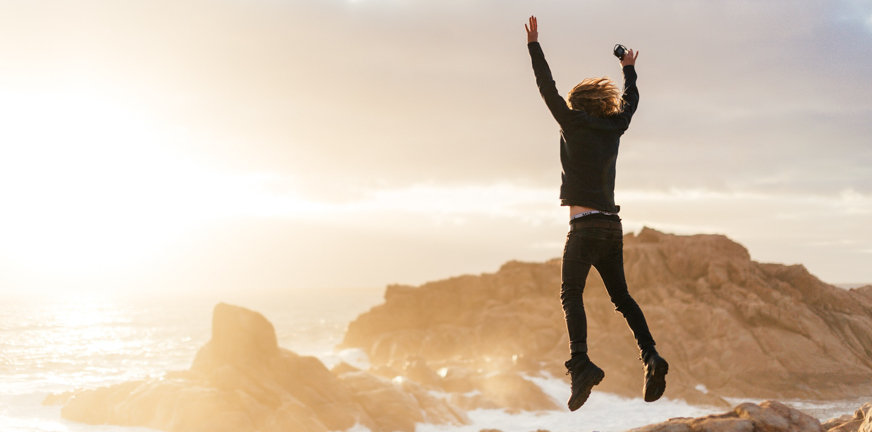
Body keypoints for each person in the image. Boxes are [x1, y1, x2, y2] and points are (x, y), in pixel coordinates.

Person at [524, 16, 668, 411]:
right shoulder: (615, 126)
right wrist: (629, 69)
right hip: (612, 226)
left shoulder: (571, 121)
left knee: (571, 293)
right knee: (621, 296)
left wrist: (535, 45)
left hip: (584, 227)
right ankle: (651, 355)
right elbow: (631, 103)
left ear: (577, 104)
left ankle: (582, 364)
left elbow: (545, 87)